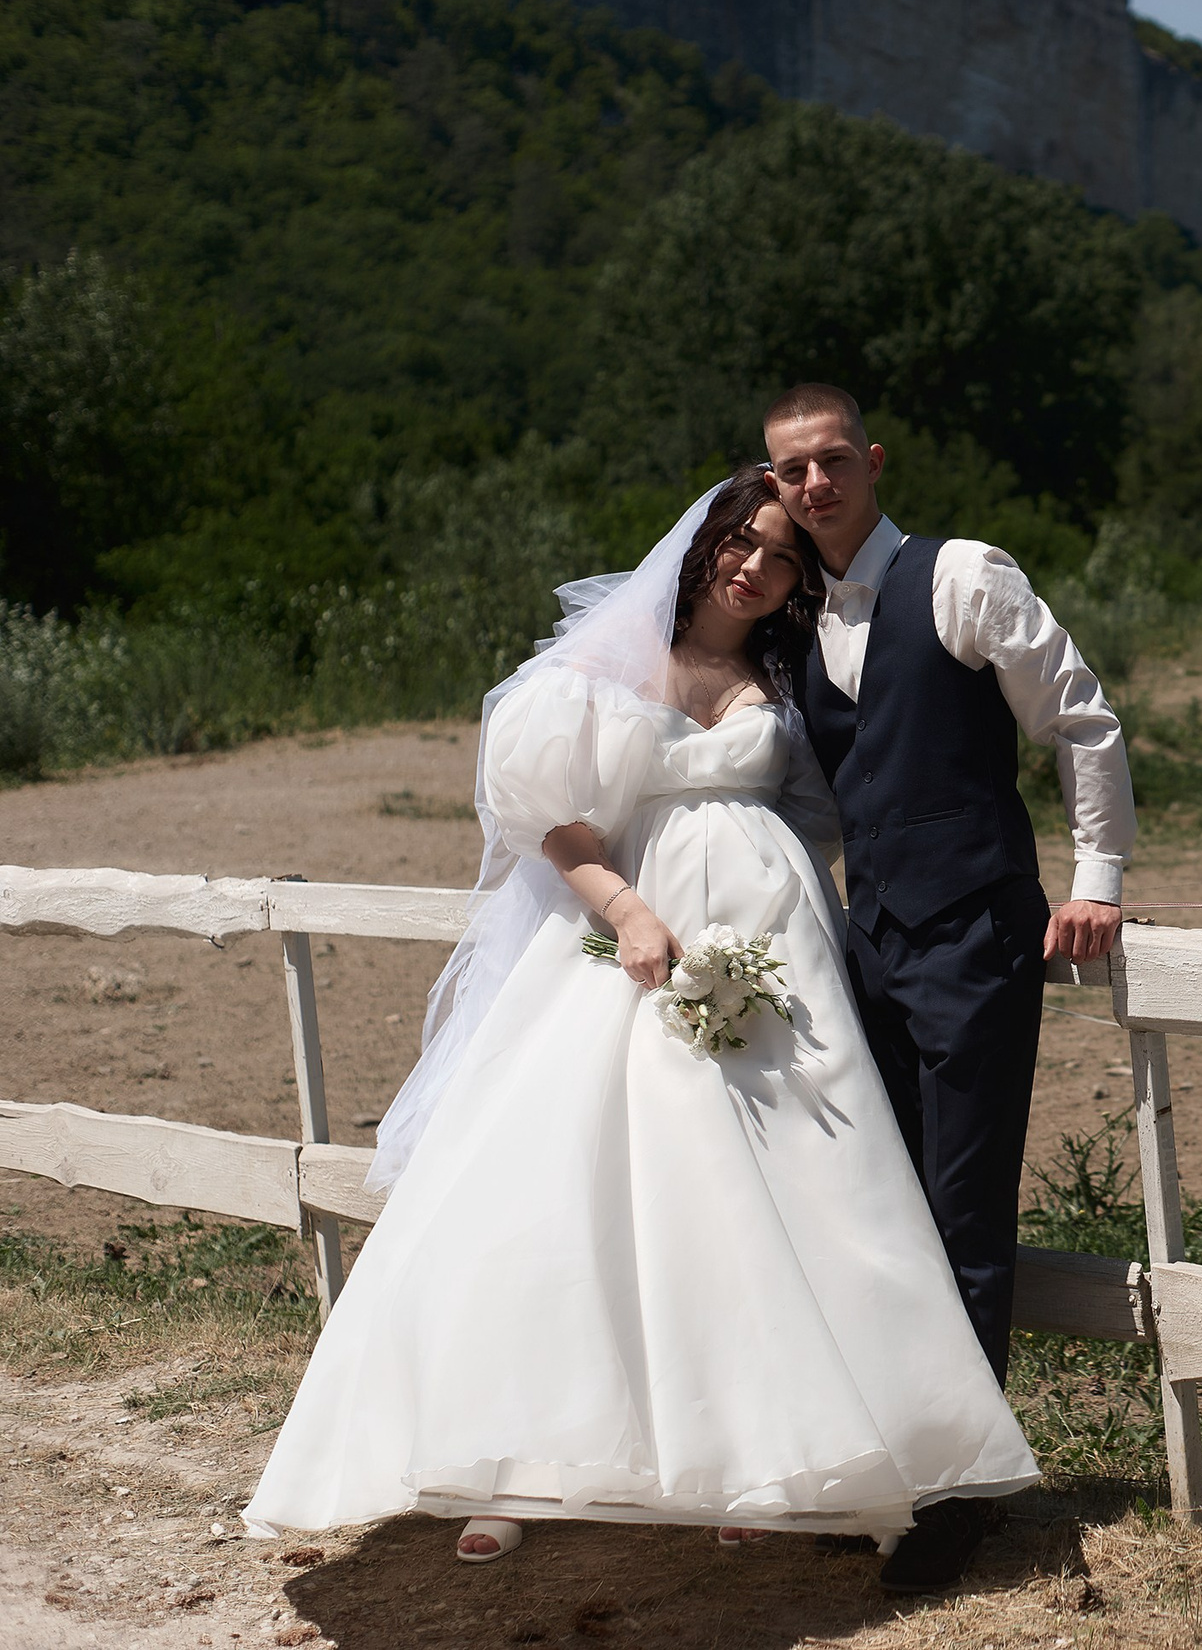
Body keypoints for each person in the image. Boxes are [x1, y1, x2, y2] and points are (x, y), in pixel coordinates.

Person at [244, 468, 1040, 1578]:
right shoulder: (610, 664)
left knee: (779, 1191)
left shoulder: (783, 673)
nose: (755, 565)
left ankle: (759, 1458)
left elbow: (828, 804)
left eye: (780, 555)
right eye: (741, 542)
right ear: (704, 544)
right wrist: (625, 913)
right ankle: (503, 1459)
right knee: (569, 1184)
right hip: (637, 937)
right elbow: (545, 817)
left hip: (776, 944)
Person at [762, 383, 1134, 1591]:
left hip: (977, 934)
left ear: (871, 462)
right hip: (867, 943)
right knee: (877, 1208)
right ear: (774, 488)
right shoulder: (794, 620)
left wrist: (1098, 878)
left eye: (831, 462)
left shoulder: (963, 575)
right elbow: (825, 799)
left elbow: (1079, 722)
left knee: (963, 1212)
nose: (814, 485)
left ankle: (964, 1488)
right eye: (790, 473)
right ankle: (893, 1457)